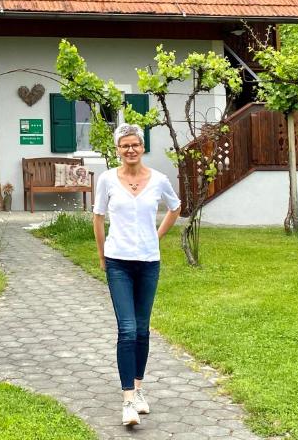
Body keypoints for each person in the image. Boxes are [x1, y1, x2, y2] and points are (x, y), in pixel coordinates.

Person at [93, 123, 181, 427]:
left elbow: (175, 207)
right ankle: (128, 400)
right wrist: (102, 254)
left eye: (135, 145)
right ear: (117, 149)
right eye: (124, 145)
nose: (130, 150)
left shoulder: (158, 180)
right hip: (118, 262)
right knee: (127, 329)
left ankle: (139, 390)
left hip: (148, 262)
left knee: (142, 329)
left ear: (142, 148)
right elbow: (98, 217)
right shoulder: (106, 180)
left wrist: (156, 236)